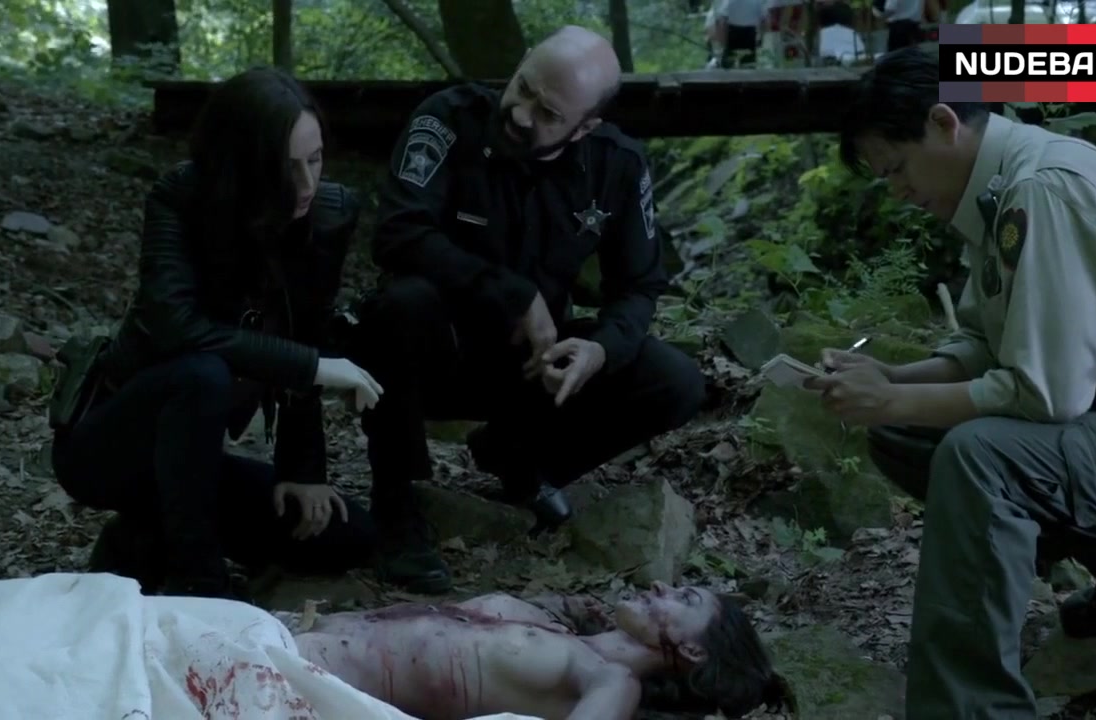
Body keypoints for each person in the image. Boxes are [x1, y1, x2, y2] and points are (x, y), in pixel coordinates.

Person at [814, 47, 1096, 718]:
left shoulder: (1044, 188)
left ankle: (972, 707)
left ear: (943, 122)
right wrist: (891, 381)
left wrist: (894, 396)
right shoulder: (1001, 187)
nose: (896, 191)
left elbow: (1047, 393)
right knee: (904, 431)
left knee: (981, 455)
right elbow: (983, 347)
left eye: (896, 168)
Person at [346, 26, 706, 594]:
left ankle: (522, 458)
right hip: (436, 354)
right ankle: (399, 503)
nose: (520, 113)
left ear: (585, 127)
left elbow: (639, 287)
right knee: (400, 306)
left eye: (548, 113)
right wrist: (514, 294)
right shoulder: (447, 120)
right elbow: (397, 233)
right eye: (523, 88)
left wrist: (599, 349)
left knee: (677, 381)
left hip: (533, 367)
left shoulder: (617, 166)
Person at [48, 67, 384, 600]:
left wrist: (303, 469)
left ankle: (143, 539)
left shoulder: (329, 213)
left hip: (191, 463)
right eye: (286, 167)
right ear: (241, 163)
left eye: (315, 160)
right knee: (201, 375)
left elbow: (308, 329)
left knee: (345, 534)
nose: (306, 185)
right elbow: (177, 328)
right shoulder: (180, 199)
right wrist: (312, 368)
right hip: (111, 448)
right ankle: (198, 583)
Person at [286, 581, 785, 720]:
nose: (661, 585)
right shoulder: (554, 627)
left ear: (694, 651)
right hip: (287, 632)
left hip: (294, 689)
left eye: (685, 599)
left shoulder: (612, 681)